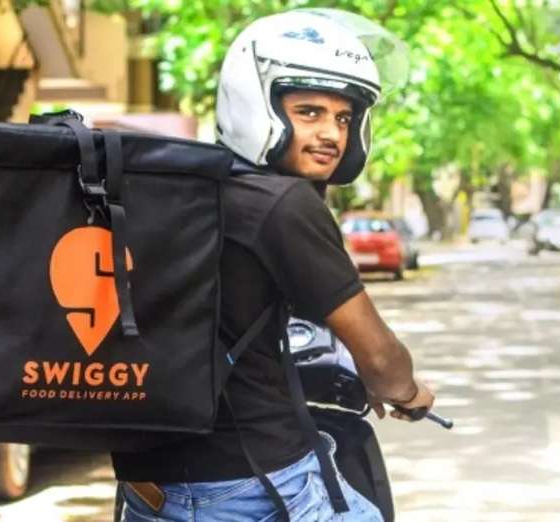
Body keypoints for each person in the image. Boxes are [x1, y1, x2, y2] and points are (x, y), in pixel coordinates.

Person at [111, 10, 435, 522]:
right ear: (254, 103)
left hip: (149, 486)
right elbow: (378, 357)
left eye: (344, 118)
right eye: (309, 112)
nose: (332, 133)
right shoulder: (282, 204)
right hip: (252, 481)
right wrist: (406, 391)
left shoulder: (191, 189)